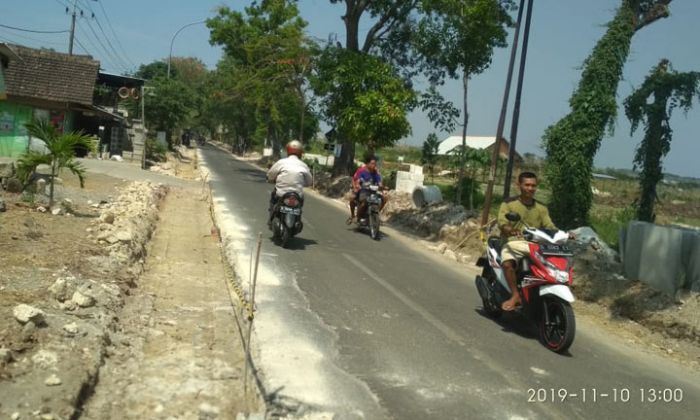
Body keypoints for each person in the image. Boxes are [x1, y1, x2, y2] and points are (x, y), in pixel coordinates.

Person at [497, 171, 572, 311]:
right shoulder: (509, 203)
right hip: (513, 242)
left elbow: (549, 225)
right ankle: (515, 295)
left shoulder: (541, 208)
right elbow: (502, 222)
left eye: (533, 185)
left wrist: (564, 234)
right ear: (519, 185)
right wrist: (509, 229)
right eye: (527, 185)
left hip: (536, 244)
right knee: (508, 264)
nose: (530, 188)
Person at [267, 140, 312, 226]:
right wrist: (303, 183)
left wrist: (270, 179)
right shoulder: (303, 165)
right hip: (297, 195)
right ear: (300, 153)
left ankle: (271, 219)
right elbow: (309, 181)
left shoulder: (281, 162)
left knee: (273, 198)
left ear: (288, 150)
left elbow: (271, 174)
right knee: (301, 202)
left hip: (281, 194)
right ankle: (297, 218)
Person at [353, 156, 388, 223]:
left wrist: (383, 187)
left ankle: (376, 213)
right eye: (372, 163)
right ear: (367, 164)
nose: (374, 165)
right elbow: (357, 180)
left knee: (384, 198)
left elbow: (380, 183)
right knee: (364, 203)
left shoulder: (376, 173)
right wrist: (357, 185)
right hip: (364, 191)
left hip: (373, 192)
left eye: (375, 164)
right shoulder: (362, 171)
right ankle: (357, 216)